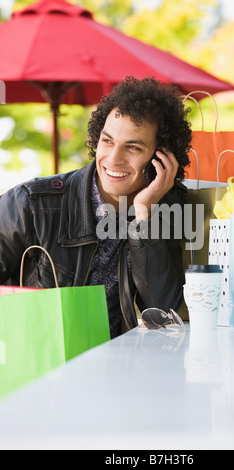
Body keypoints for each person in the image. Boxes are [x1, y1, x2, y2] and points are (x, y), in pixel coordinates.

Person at [0, 76, 192, 338]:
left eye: (133, 147)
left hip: (113, 367)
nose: (113, 159)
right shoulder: (31, 204)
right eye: (107, 141)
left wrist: (144, 213)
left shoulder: (165, 207)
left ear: (161, 158)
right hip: (38, 363)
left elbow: (162, 314)